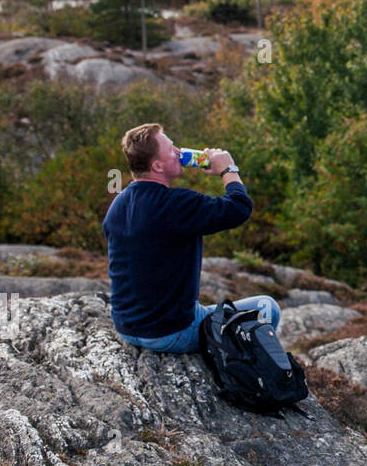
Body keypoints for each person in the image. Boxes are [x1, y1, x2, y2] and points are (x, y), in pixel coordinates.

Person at [103, 122, 279, 353]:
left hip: (126, 327)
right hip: (172, 332)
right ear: (157, 165)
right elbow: (239, 208)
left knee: (206, 310)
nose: (179, 151)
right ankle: (250, 375)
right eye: (171, 149)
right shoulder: (175, 204)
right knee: (268, 308)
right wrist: (228, 169)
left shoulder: (119, 202)